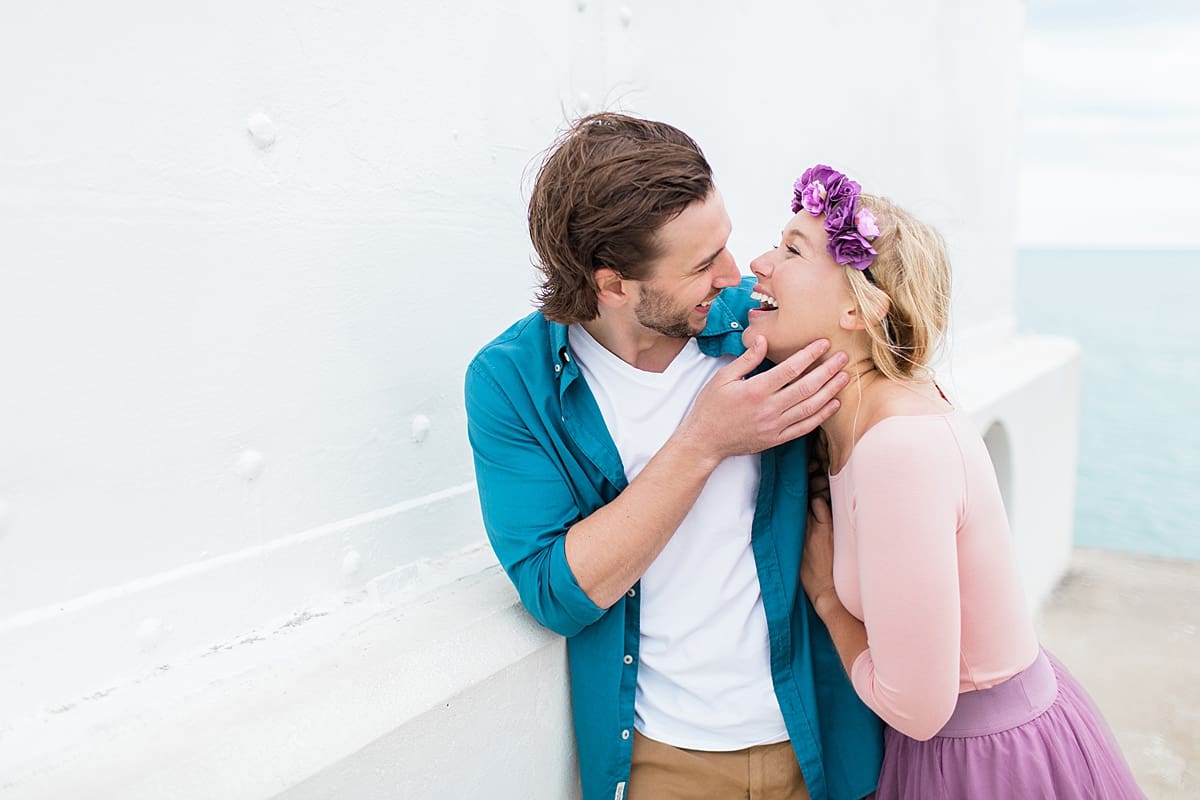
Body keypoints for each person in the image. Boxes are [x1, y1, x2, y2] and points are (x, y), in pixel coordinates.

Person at [465, 116, 883, 800]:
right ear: (613, 286)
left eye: (724, 242)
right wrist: (704, 441)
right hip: (664, 763)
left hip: (822, 734)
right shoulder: (512, 383)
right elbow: (555, 594)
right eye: (700, 264)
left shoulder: (762, 323)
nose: (735, 272)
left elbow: (900, 390)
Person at [744, 164, 1145, 798]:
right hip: (957, 748)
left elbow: (917, 706)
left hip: (982, 764)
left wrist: (824, 596)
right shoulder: (859, 416)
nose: (759, 263)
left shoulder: (899, 446)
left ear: (861, 307)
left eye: (792, 249)